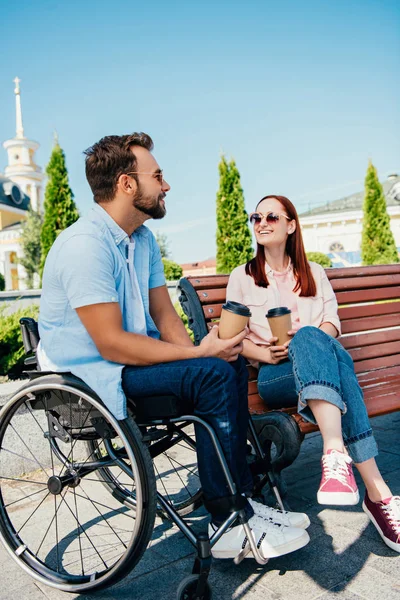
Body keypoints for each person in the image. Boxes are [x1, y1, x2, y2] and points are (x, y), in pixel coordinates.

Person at [38, 134, 310, 561]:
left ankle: (239, 497)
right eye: (158, 176)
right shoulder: (84, 246)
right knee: (211, 370)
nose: (166, 186)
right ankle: (227, 519)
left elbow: (165, 318)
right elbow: (111, 343)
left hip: (130, 360)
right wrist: (198, 359)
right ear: (128, 184)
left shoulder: (141, 240)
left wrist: (207, 352)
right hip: (91, 373)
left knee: (228, 365)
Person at [227, 194, 400, 554]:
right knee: (333, 361)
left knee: (313, 338)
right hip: (276, 377)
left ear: (291, 225)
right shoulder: (242, 277)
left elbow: (331, 323)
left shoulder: (314, 273)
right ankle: (370, 488)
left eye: (271, 216)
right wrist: (264, 352)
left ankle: (354, 471)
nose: (262, 222)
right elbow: (231, 337)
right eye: (255, 217)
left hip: (317, 368)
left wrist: (310, 341)